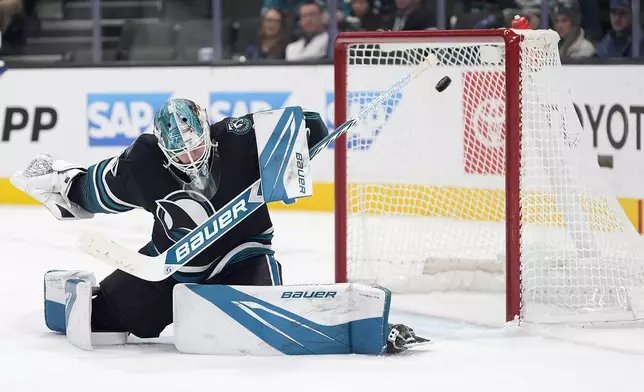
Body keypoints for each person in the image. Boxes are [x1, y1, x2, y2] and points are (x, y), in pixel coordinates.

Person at [12, 99, 330, 339]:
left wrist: (303, 136)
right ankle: (70, 287)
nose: (192, 159)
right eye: (180, 154)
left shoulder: (240, 137)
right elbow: (94, 191)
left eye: (196, 147)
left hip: (242, 257)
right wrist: (61, 184)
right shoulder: (143, 163)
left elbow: (312, 126)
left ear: (208, 132)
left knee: (262, 330)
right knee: (94, 322)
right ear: (164, 150)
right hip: (169, 268)